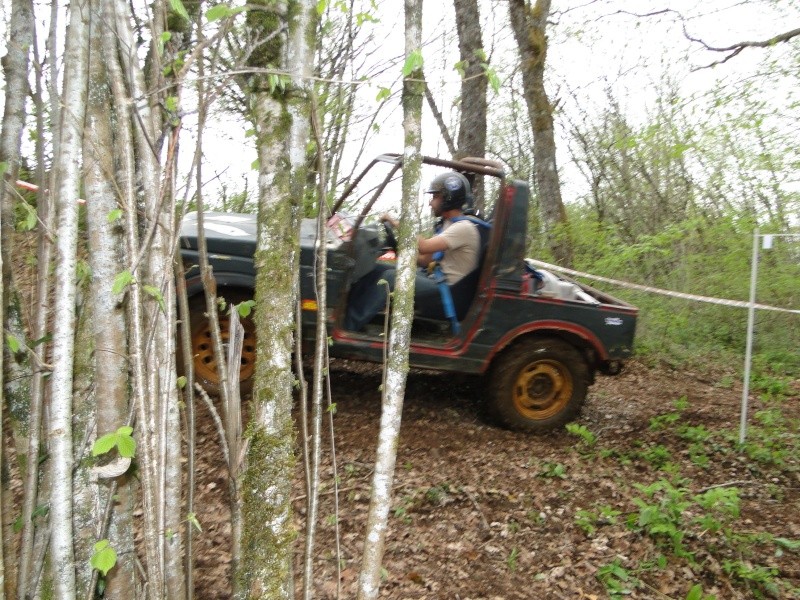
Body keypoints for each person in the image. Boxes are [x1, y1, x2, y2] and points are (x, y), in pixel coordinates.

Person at [344, 171, 482, 331]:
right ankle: (346, 311)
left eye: (435, 197)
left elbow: (423, 246)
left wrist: (393, 222)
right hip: (435, 279)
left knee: (390, 277)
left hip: (448, 293)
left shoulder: (464, 227)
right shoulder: (449, 224)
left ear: (448, 198)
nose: (431, 203)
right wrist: (398, 249)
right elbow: (425, 260)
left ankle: (348, 327)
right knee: (378, 268)